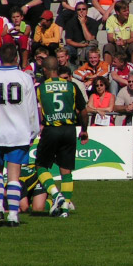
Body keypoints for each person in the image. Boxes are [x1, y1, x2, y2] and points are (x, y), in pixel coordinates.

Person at [0, 43, 40, 227]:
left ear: (0, 58)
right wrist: (34, 131)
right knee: (14, 176)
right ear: (17, 57)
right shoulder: (25, 78)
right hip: (19, 134)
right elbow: (32, 109)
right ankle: (12, 215)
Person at [36, 56, 88, 217]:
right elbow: (83, 110)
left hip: (51, 129)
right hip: (69, 129)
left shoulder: (40, 87)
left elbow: (37, 111)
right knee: (66, 171)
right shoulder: (71, 86)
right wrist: (84, 129)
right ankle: (64, 208)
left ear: (45, 70)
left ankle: (56, 195)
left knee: (41, 166)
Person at [103, 0, 133, 68]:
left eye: (128, 10)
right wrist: (116, 41)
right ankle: (106, 72)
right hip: (116, 44)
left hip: (128, 44)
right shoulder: (110, 20)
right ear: (117, 12)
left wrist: (124, 41)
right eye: (124, 11)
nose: (127, 13)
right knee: (108, 47)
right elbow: (110, 38)